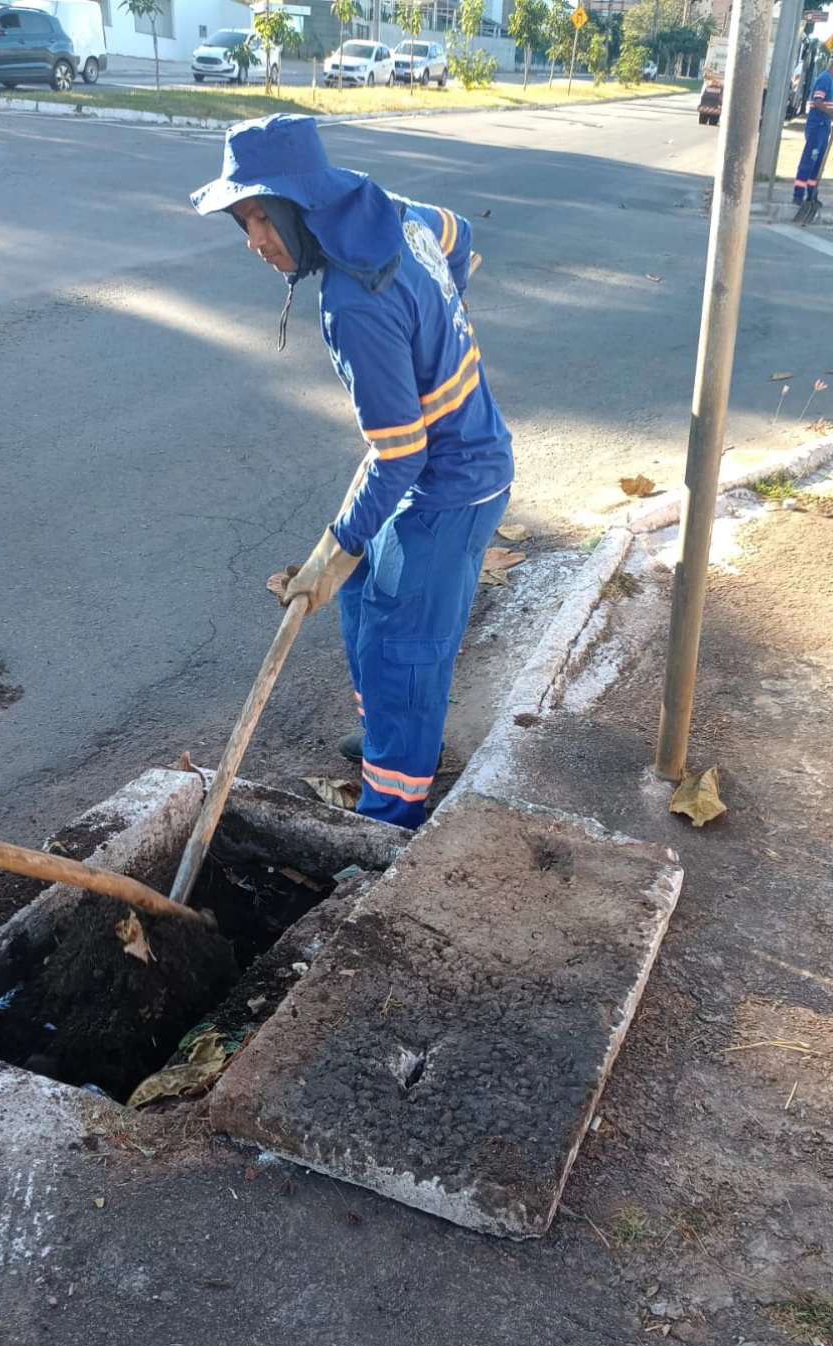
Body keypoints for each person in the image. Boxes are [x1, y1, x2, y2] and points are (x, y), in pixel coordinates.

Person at [191, 114, 514, 831]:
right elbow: (459, 234)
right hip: (431, 469)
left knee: (404, 654)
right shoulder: (388, 210)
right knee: (364, 601)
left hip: (451, 486)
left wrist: (335, 543)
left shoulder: (352, 304)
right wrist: (441, 312)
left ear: (297, 206)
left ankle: (389, 818)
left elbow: (401, 453)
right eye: (243, 223)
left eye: (259, 220)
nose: (254, 242)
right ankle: (383, 747)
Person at [794, 45, 833, 208]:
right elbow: (817, 102)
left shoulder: (832, 81)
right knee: (810, 159)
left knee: (818, 162)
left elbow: (831, 103)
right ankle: (798, 194)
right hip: (817, 125)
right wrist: (832, 114)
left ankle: (811, 192)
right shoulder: (824, 79)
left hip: (824, 127)